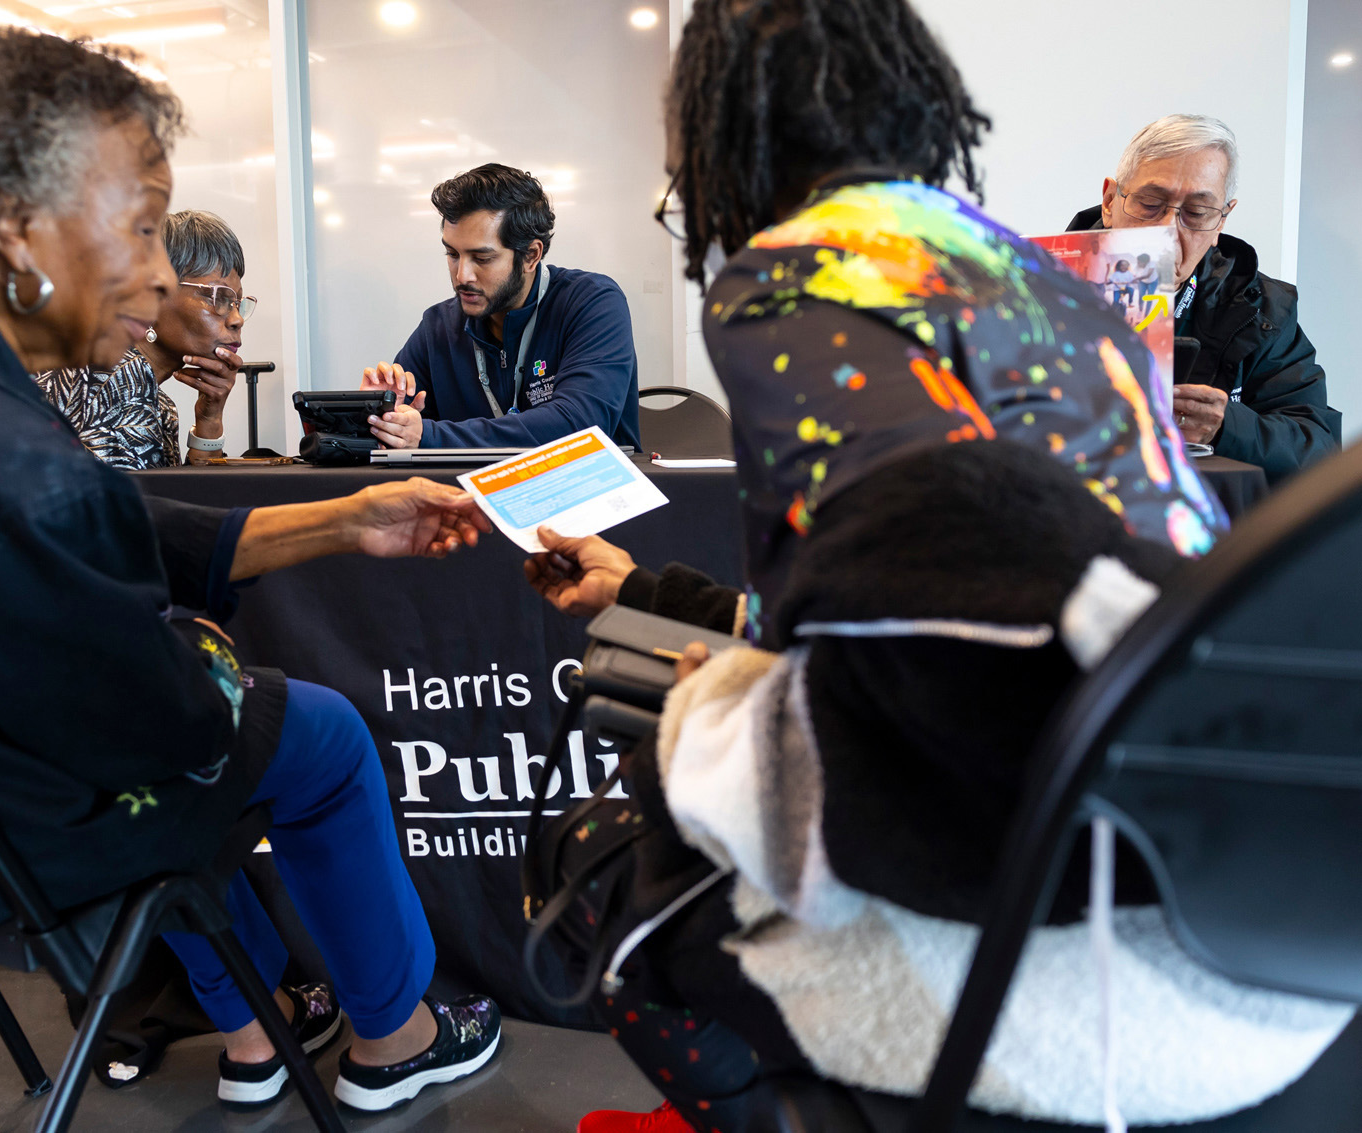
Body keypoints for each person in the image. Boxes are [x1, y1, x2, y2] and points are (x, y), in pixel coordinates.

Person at [518, 2, 1321, 1130]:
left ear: (719, 134)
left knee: (591, 854)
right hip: (1237, 903)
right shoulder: (1046, 281)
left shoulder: (788, 281)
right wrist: (642, 591)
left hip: (1069, 962)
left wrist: (698, 720)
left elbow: (898, 653)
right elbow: (927, 589)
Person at [0, 30, 500, 1113]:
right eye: (145, 224)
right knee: (312, 736)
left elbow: (96, 518)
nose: (165, 275)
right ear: (18, 223)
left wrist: (336, 518)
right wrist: (212, 658)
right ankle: (394, 1035)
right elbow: (161, 721)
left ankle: (256, 1029)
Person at [1069, 113, 1340, 482]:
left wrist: (1228, 426)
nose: (1167, 228)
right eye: (1150, 204)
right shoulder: (1036, 283)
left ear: (1221, 222)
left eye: (1196, 213)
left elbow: (1319, 448)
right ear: (1109, 201)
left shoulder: (1260, 308)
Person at [356, 164, 641, 450]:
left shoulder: (592, 303)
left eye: (481, 258)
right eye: (452, 254)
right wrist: (380, 418)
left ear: (531, 255)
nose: (461, 275)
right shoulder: (438, 327)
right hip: (467, 494)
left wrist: (430, 436)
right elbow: (403, 431)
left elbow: (579, 428)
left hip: (582, 490)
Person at [34, 208, 251, 468]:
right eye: (219, 297)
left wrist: (210, 420)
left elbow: (188, 497)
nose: (236, 318)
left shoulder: (158, 402)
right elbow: (149, 507)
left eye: (237, 302)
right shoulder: (110, 377)